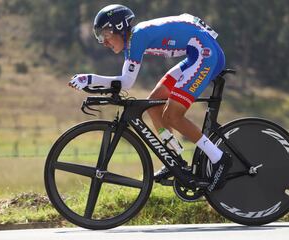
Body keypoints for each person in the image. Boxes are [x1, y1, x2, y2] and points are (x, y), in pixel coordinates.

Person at [69, 4, 232, 191]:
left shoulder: (137, 37)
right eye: (99, 37)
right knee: (153, 105)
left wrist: (89, 78)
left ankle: (219, 158)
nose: (103, 42)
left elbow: (126, 82)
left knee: (173, 115)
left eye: (105, 35)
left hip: (205, 54)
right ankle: (175, 159)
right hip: (196, 53)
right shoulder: (133, 40)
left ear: (120, 28)